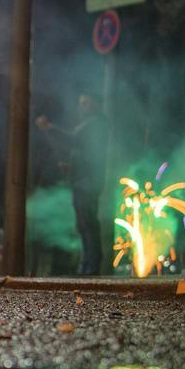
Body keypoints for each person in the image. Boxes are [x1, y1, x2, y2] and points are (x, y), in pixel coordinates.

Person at [64, 93, 108, 275]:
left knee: (88, 223)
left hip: (88, 183)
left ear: (95, 104)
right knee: (83, 224)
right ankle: (87, 262)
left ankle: (92, 264)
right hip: (81, 181)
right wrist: (71, 168)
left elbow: (75, 140)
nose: (81, 107)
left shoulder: (97, 124)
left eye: (86, 103)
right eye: (81, 103)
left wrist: (50, 128)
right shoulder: (89, 125)